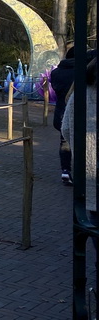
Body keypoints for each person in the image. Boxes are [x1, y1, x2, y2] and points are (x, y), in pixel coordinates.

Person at [62, 56, 97, 212]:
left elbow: (66, 129)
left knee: (92, 215)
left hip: (87, 163)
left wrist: (80, 150)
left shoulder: (79, 93)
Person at [50, 46, 77, 185]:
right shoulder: (81, 72)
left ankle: (65, 170)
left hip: (61, 111)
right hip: (77, 111)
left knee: (64, 141)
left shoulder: (55, 73)